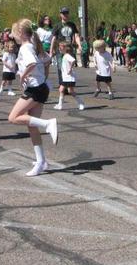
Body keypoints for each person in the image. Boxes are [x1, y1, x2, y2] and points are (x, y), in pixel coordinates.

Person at [8, 19, 58, 177]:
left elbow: (32, 63)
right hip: (40, 87)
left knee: (13, 117)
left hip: (35, 90)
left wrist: (23, 75)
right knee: (31, 126)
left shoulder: (26, 47)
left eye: (14, 32)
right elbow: (47, 60)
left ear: (21, 33)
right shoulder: (34, 45)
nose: (12, 36)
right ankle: (41, 161)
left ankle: (48, 124)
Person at [54, 42, 85, 111]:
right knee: (61, 90)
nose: (59, 48)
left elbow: (73, 60)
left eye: (61, 47)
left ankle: (81, 103)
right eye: (59, 47)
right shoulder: (64, 55)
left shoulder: (67, 55)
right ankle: (60, 105)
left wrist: (70, 69)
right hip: (65, 77)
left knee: (70, 91)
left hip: (69, 77)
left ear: (66, 48)